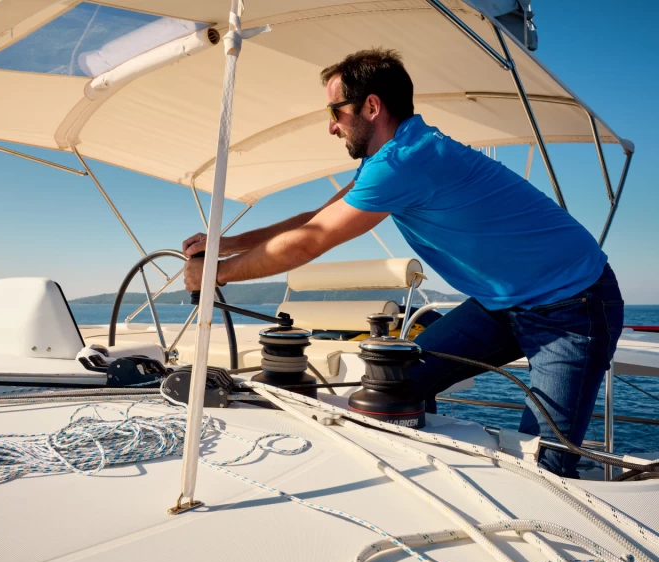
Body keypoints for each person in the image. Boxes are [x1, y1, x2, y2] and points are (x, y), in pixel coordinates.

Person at [182, 48, 623, 478]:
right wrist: (225, 244)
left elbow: (309, 243)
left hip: (573, 305)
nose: (332, 128)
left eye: (335, 113)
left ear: (371, 106)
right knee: (397, 386)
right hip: (502, 305)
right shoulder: (393, 158)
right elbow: (315, 220)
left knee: (544, 465)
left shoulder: (406, 161)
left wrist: (215, 275)